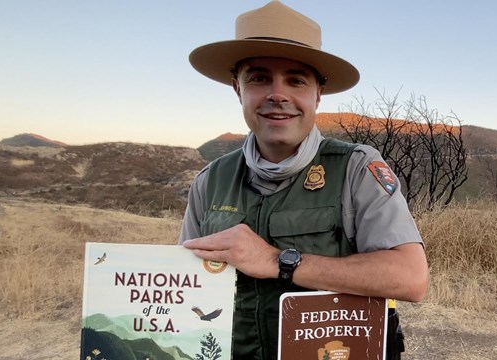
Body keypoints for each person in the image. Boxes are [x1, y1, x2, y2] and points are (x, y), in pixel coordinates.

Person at [179, 1, 429, 359]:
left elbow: (410, 277)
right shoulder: (210, 180)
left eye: (295, 80)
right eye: (259, 78)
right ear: (238, 88)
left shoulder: (357, 169)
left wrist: (277, 261)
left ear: (317, 93)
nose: (277, 94)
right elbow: (187, 288)